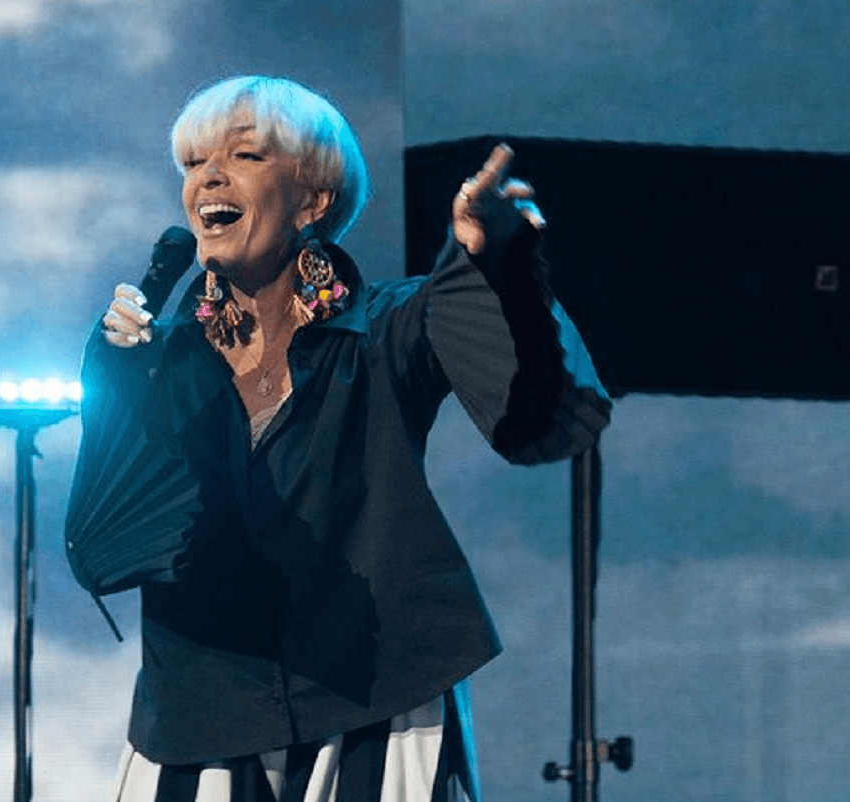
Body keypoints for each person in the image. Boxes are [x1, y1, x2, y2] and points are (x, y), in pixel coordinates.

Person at [69, 75, 611, 802]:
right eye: (193, 163)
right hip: (200, 715)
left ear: (314, 200)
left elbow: (535, 412)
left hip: (375, 702)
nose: (210, 178)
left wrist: (496, 265)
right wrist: (117, 379)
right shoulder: (158, 362)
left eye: (245, 156)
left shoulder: (391, 327)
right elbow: (108, 546)